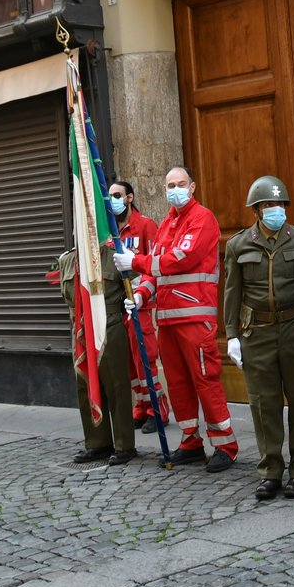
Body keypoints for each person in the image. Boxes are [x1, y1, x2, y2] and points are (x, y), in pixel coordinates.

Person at [114, 167, 238, 472]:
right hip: (167, 320)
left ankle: (225, 444)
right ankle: (190, 440)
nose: (175, 189)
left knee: (205, 380)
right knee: (178, 383)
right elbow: (155, 271)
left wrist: (136, 261)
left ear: (192, 187)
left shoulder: (203, 219)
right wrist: (142, 294)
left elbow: (179, 259)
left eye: (181, 184)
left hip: (195, 317)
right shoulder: (167, 223)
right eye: (170, 185)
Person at [222, 176, 294, 500]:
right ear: (256, 210)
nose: (274, 210)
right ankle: (270, 472)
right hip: (258, 333)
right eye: (267, 205)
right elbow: (232, 293)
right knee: (264, 404)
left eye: (278, 205)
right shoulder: (238, 245)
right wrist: (232, 336)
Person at [56, 240, 139, 466]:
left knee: (116, 387)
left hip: (109, 326)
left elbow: (136, 284)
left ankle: (124, 445)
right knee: (85, 385)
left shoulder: (115, 256)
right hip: (81, 331)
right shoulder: (67, 261)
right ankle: (97, 442)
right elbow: (68, 298)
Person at [109, 181, 170, 433]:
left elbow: (154, 266)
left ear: (130, 198)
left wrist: (141, 295)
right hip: (118, 305)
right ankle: (141, 408)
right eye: (109, 196)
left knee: (145, 360)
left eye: (117, 195)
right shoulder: (110, 231)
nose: (112, 199)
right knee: (129, 363)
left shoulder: (145, 225)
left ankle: (158, 410)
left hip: (141, 305)